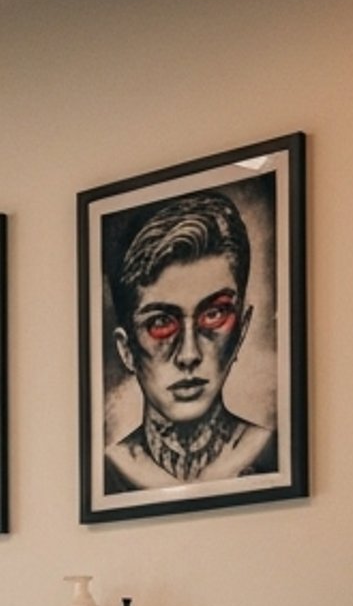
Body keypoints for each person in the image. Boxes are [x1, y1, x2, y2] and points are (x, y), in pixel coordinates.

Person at [103, 189, 277, 493]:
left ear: (242, 330)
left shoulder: (276, 452)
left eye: (213, 315)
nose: (188, 354)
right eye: (160, 322)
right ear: (126, 349)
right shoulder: (104, 471)